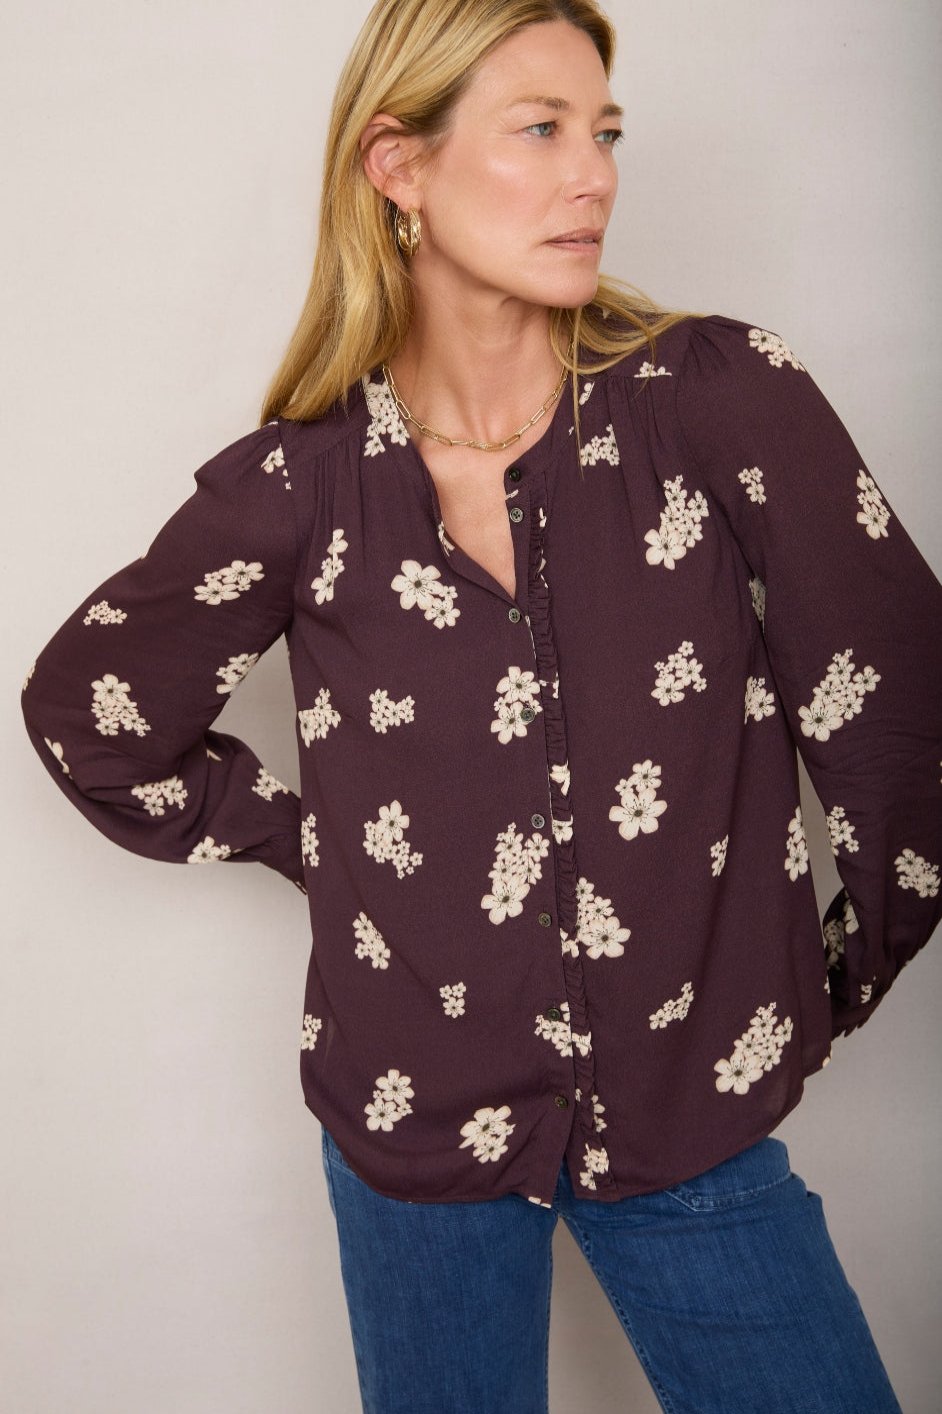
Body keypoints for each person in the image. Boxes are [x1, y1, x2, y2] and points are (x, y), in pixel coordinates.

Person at [20, 1, 939, 1410]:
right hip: (411, 1144)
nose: (594, 176)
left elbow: (902, 723)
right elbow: (88, 712)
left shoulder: (718, 403)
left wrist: (810, 988)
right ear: (399, 165)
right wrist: (313, 843)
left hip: (691, 1122)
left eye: (604, 133)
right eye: (541, 130)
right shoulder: (302, 487)